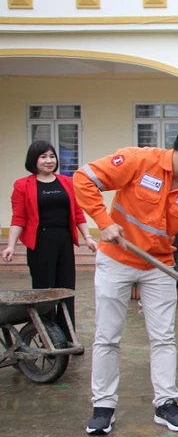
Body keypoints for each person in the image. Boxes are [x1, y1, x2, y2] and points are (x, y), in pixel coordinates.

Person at [73, 117, 178, 436]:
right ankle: (103, 407)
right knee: (107, 335)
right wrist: (103, 220)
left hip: (158, 266)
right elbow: (83, 178)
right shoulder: (138, 161)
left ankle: (166, 404)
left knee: (164, 336)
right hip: (116, 259)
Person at [2, 141, 98, 341]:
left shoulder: (66, 182)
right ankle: (49, 339)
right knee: (45, 293)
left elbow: (77, 212)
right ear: (34, 159)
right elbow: (18, 217)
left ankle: (68, 338)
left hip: (64, 241)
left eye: (52, 156)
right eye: (43, 156)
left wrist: (87, 237)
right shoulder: (22, 185)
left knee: (66, 290)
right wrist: (11, 245)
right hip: (40, 243)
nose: (49, 161)